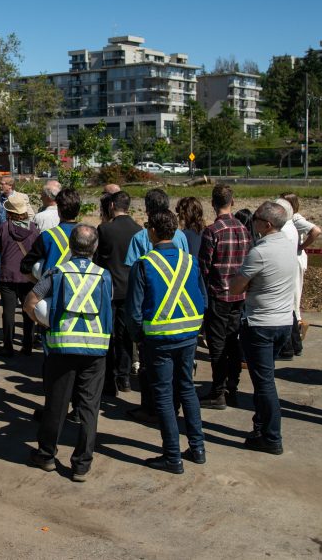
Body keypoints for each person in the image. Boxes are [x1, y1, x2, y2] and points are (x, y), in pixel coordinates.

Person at [24, 225, 113, 482]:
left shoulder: (57, 273)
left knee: (57, 404)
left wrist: (42, 322)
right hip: (96, 349)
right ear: (94, 248)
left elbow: (31, 301)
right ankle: (82, 464)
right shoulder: (104, 276)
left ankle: (46, 454)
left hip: (62, 347)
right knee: (89, 407)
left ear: (71, 247)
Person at [126, 211, 207, 474]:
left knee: (162, 395)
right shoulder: (190, 261)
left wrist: (139, 337)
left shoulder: (144, 264)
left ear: (152, 232)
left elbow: (134, 311)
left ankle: (172, 456)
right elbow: (203, 299)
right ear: (174, 232)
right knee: (187, 389)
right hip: (188, 336)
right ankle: (198, 448)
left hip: (158, 340)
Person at [228, 202, 299, 455]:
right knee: (265, 379)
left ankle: (271, 436)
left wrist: (240, 280)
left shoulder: (260, 252)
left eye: (255, 218)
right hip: (282, 322)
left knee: (264, 383)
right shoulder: (289, 246)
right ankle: (261, 427)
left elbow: (236, 288)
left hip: (260, 324)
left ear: (266, 224)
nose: (252, 222)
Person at [123, 188, 189, 423]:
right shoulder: (179, 236)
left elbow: (133, 272)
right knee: (179, 368)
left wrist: (135, 325)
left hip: (152, 309)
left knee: (149, 365)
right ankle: (175, 404)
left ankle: (150, 407)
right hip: (180, 308)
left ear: (148, 209)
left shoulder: (141, 238)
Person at [197, 184, 251, 410]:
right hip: (239, 294)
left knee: (217, 345)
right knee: (232, 341)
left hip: (219, 294)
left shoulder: (212, 231)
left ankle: (218, 391)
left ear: (212, 203)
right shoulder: (243, 229)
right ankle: (232, 386)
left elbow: (204, 267)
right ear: (233, 201)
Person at [94, 191, 143, 395]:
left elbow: (98, 260)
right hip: (131, 289)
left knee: (108, 334)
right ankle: (124, 378)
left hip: (110, 288)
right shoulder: (139, 230)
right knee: (125, 336)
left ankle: (108, 380)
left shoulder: (105, 229)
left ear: (112, 205)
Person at [0, 193, 40, 356]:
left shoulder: (3, 228)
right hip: (28, 276)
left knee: (8, 312)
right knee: (28, 310)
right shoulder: (34, 230)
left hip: (7, 275)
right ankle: (27, 344)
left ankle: (7, 345)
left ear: (9, 212)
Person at [280, 192, 321, 342]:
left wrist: (302, 246)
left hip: (296, 259)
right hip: (293, 259)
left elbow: (316, 231)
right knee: (293, 295)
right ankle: (296, 328)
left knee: (295, 295)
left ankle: (297, 328)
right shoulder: (289, 219)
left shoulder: (296, 219)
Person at [21, 188, 81, 280]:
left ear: (59, 210)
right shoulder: (90, 234)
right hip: (82, 290)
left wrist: (40, 286)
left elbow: (25, 267)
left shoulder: (47, 236)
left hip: (52, 289)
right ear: (78, 211)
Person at [123, 189, 189, 268]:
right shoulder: (181, 236)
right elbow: (186, 264)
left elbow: (132, 269)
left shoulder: (139, 237)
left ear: (147, 211)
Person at [271, 197, 303, 360]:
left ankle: (288, 347)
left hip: (281, 270)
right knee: (289, 308)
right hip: (288, 267)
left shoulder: (284, 229)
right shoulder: (291, 227)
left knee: (285, 310)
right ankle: (295, 344)